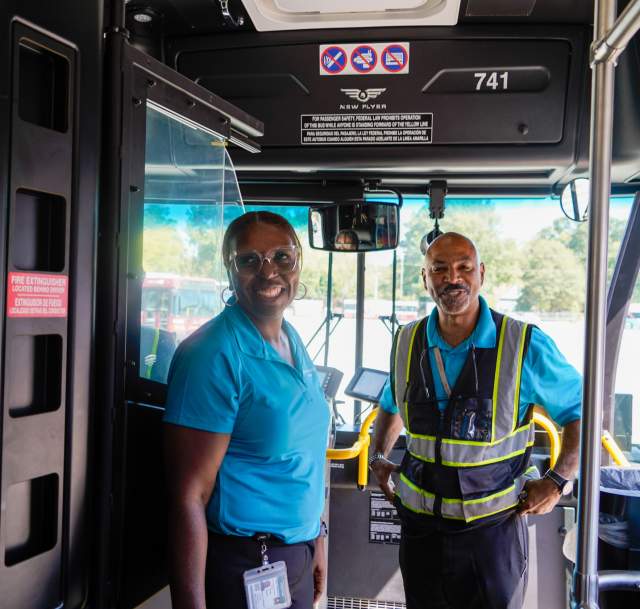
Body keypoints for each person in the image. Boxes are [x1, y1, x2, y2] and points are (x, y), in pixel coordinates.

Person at [370, 232, 582, 609]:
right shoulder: (406, 341)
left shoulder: (523, 344)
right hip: (421, 532)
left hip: (491, 535)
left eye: (464, 268)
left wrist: (557, 481)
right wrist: (376, 458)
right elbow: (391, 405)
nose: (453, 278)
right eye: (439, 269)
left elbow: (581, 411)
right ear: (425, 278)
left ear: (480, 274)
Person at [164, 211, 330, 609]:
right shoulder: (212, 353)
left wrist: (316, 538)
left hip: (296, 555)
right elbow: (188, 496)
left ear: (298, 264)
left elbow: (302, 462)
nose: (268, 271)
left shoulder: (290, 339)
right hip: (244, 565)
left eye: (281, 258)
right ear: (230, 270)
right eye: (249, 260)